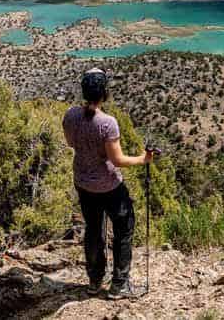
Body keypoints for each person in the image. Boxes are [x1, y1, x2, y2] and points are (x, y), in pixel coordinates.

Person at [62, 68, 154, 299]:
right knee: (123, 230)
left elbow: (71, 142)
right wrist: (144, 159)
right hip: (109, 186)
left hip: (83, 183)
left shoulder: (70, 115)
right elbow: (118, 160)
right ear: (104, 93)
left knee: (93, 229)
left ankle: (94, 280)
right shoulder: (107, 123)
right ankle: (119, 285)